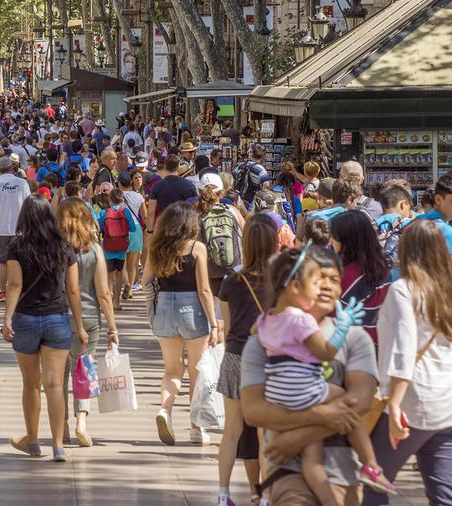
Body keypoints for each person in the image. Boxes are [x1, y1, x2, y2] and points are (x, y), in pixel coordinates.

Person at [241, 245, 385, 504]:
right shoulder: (262, 341)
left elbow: (361, 401)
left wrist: (298, 436)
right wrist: (322, 415)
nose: (327, 286)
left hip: (342, 475)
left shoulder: (355, 338)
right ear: (297, 284)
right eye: (319, 278)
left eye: (335, 280)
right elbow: (253, 411)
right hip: (285, 473)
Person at [365, 221, 452, 505]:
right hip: (446, 403)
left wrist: (393, 404)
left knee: (373, 482)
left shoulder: (403, 289)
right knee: (443, 493)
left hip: (411, 402)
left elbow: (404, 348)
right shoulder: (447, 289)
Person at [1, 195, 85, 462]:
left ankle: (33, 440)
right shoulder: (64, 246)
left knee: (31, 384)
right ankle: (58, 445)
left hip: (26, 319)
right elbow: (73, 290)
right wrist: (80, 325)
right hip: (57, 318)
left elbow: (14, 285)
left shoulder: (17, 246)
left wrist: (7, 318)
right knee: (54, 384)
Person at [143, 201, 217, 446]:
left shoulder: (157, 248)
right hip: (192, 310)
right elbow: (204, 290)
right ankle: (196, 427)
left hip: (164, 308)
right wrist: (214, 323)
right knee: (196, 372)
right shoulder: (197, 248)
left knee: (172, 371)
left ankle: (164, 410)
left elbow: (145, 281)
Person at [216, 219, 278, 506]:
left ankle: (223, 494)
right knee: (265, 432)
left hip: (234, 356)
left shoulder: (231, 281)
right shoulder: (280, 281)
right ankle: (265, 496)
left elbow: (228, 329)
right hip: (265, 359)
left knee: (231, 431)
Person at [56, 197, 117, 448]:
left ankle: (62, 425)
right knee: (83, 370)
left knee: (59, 375)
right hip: (89, 317)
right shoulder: (94, 250)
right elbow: (104, 293)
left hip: (58, 316)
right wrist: (112, 327)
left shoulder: (56, 249)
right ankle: (81, 422)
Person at [331, 210, 393, 343]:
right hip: (381, 339)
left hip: (354, 344)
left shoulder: (347, 275)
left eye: (334, 237)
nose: (331, 241)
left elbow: (333, 317)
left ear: (346, 241)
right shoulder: (382, 265)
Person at [0, 156, 30, 300]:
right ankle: (20, 290)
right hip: (20, 229)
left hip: (1, 228)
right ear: (12, 167)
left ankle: (4, 292)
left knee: (1, 260)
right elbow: (28, 205)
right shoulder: (22, 183)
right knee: (20, 259)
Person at [96, 188, 139, 311]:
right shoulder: (125, 211)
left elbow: (100, 227)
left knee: (109, 273)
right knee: (119, 272)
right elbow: (132, 228)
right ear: (121, 199)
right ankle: (116, 302)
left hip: (109, 245)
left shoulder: (104, 212)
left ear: (110, 199)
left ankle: (109, 298)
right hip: (121, 246)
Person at [147, 154, 197, 233]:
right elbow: (195, 209)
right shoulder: (189, 185)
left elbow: (151, 212)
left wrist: (150, 231)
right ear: (178, 167)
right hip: (184, 229)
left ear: (165, 166)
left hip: (164, 228)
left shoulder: (157, 186)